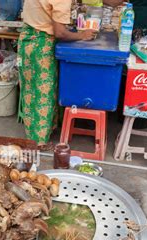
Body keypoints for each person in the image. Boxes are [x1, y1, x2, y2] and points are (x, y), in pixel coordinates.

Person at [18, 0, 122, 150]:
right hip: (40, 44)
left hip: (27, 39)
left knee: (30, 89)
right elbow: (60, 33)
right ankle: (38, 142)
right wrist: (82, 35)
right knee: (42, 94)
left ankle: (43, 131)